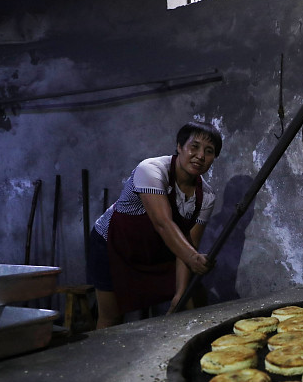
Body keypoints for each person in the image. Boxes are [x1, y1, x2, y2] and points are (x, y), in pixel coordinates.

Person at [87, 121, 221, 328]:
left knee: (192, 299)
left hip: (155, 252)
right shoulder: (151, 170)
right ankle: (102, 359)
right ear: (179, 146)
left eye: (209, 151)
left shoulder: (206, 196)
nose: (200, 156)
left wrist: (180, 292)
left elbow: (187, 244)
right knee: (111, 317)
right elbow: (163, 223)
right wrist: (194, 259)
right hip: (112, 246)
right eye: (194, 147)